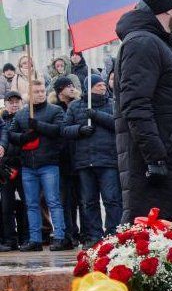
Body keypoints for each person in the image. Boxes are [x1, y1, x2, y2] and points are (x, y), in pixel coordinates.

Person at [115, 0, 172, 226]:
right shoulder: (142, 43)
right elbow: (135, 105)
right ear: (167, 9)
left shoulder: (162, 43)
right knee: (155, 248)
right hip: (158, 167)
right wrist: (156, 157)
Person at [1, 81, 71, 251]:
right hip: (27, 166)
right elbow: (11, 134)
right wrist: (24, 138)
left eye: (42, 91)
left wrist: (39, 126)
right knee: (31, 204)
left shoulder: (55, 110)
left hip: (48, 164)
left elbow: (59, 130)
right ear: (29, 95)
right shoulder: (22, 114)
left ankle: (60, 237)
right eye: (36, 92)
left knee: (53, 201)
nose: (40, 94)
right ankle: (35, 239)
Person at [62, 74, 121, 247]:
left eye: (103, 84)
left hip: (108, 160)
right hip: (84, 162)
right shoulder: (74, 107)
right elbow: (64, 130)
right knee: (89, 202)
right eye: (98, 85)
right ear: (89, 88)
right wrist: (79, 129)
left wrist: (95, 116)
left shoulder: (112, 104)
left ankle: (113, 234)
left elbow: (118, 124)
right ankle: (94, 236)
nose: (103, 87)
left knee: (112, 199)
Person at [50, 76, 83, 245]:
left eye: (72, 85)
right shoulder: (55, 109)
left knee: (81, 198)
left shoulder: (79, 104)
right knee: (65, 200)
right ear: (59, 90)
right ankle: (69, 233)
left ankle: (82, 233)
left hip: (78, 157)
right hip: (62, 160)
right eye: (66, 86)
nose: (71, 88)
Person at [0, 90, 27, 249]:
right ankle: (10, 239)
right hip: (4, 168)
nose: (14, 104)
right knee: (6, 205)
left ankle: (25, 237)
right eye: (11, 102)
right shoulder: (2, 121)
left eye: (17, 101)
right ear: (6, 104)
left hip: (23, 167)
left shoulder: (26, 119)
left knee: (25, 204)